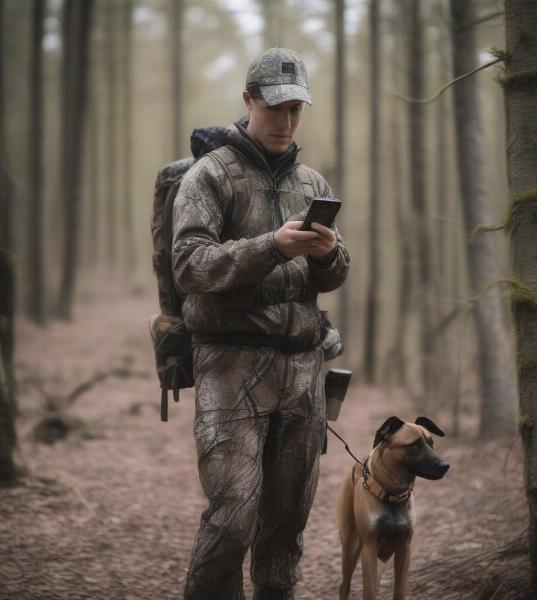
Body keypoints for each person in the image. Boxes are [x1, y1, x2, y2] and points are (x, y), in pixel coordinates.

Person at [172, 47, 350, 600]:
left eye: (297, 108)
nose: (287, 120)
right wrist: (271, 246)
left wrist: (325, 256)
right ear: (248, 100)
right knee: (232, 520)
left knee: (285, 527)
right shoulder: (210, 176)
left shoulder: (311, 182)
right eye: (275, 107)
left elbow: (335, 275)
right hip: (230, 365)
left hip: (303, 369)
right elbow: (188, 265)